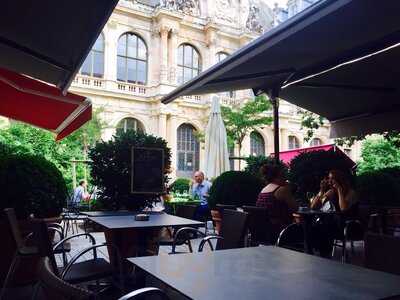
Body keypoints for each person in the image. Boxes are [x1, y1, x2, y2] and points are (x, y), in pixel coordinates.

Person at [312, 169, 358, 257]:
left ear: (339, 180)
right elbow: (314, 207)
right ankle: (318, 251)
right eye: (329, 178)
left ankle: (323, 253)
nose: (329, 181)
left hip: (347, 224)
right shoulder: (331, 192)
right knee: (316, 224)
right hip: (333, 223)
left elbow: (343, 209)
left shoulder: (351, 193)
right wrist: (321, 190)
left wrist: (339, 190)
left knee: (323, 225)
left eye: (332, 178)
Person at [256, 164, 298, 242]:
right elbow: (295, 208)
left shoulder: (263, 190)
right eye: (283, 175)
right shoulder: (282, 190)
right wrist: (288, 189)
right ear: (278, 176)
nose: (285, 179)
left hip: (263, 230)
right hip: (280, 231)